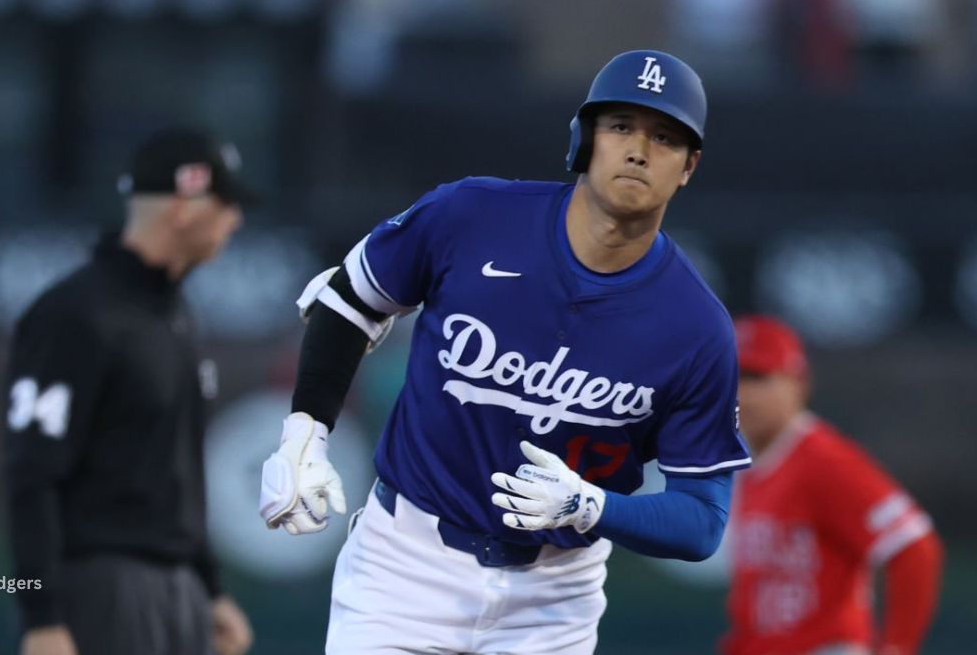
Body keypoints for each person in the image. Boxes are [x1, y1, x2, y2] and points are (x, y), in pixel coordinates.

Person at [259, 50, 752, 653]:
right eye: (620, 126)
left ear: (688, 167)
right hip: (406, 567)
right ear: (583, 139)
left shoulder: (695, 325)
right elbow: (348, 299)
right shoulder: (472, 215)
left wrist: (592, 506)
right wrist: (305, 433)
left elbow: (702, 519)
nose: (639, 150)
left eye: (665, 137)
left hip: (553, 600)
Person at [4, 127, 254, 655]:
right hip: (100, 588)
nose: (235, 220)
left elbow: (177, 468)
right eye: (226, 204)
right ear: (184, 208)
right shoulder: (74, 315)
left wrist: (209, 589)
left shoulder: (177, 316)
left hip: (177, 588)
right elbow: (32, 472)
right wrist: (41, 618)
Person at [722, 315, 943, 655]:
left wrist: (898, 646)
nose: (743, 393)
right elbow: (757, 607)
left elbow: (914, 547)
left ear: (798, 383)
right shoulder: (755, 470)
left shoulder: (823, 460)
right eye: (733, 378)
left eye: (758, 378)